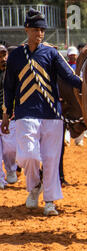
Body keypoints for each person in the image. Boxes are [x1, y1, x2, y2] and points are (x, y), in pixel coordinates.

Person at [1, 9, 82, 216]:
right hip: (25, 113)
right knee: (28, 155)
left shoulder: (52, 53)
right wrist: (5, 113)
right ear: (26, 29)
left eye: (42, 29)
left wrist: (86, 86)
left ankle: (50, 201)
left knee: (51, 159)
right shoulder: (17, 55)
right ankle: (35, 185)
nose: (40, 33)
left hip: (52, 115)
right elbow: (9, 87)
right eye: (36, 29)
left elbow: (69, 76)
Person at [0, 43, 18, 189]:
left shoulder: (13, 73)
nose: (2, 58)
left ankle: (11, 169)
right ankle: (0, 179)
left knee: (10, 148)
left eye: (4, 54)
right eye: (0, 55)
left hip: (11, 117)